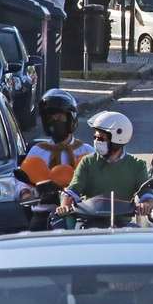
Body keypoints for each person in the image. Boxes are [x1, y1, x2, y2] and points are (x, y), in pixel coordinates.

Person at [58, 110, 153, 218]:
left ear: (118, 138)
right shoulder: (87, 161)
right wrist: (64, 206)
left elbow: (147, 195)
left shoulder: (137, 165)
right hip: (89, 221)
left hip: (122, 224)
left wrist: (146, 204)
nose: (96, 141)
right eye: (95, 137)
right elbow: (73, 191)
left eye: (101, 138)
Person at [25, 89, 95, 229]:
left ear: (70, 119)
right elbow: (23, 179)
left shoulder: (87, 151)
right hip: (44, 212)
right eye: (51, 118)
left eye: (60, 118)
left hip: (81, 213)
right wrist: (25, 193)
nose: (55, 122)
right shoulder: (37, 151)